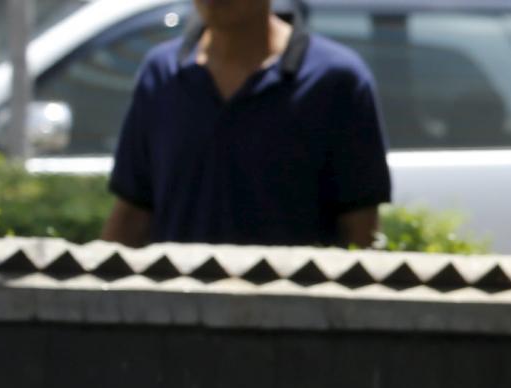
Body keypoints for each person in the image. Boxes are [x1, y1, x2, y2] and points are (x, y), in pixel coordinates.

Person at [100, 0, 389, 249]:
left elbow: (360, 230)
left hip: (294, 309)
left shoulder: (336, 81)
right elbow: (132, 213)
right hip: (177, 307)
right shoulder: (161, 74)